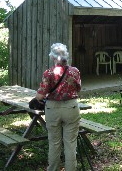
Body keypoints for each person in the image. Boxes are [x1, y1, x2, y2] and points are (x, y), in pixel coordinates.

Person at [35, 43, 81, 171]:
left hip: (52, 109)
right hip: (71, 108)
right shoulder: (75, 71)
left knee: (54, 143)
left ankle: (53, 169)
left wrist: (36, 96)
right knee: (70, 143)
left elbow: (40, 95)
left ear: (53, 57)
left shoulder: (48, 73)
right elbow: (78, 88)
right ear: (66, 56)